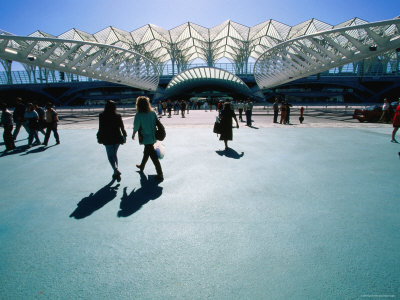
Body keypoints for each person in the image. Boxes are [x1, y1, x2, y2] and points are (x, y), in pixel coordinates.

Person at [132, 96, 163, 181]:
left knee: (153, 157)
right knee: (146, 152)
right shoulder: (152, 113)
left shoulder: (138, 115)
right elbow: (156, 122)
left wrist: (133, 134)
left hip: (146, 138)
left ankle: (160, 174)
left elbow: (136, 126)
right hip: (153, 136)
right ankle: (142, 166)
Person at [97, 100, 127, 182]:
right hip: (117, 137)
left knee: (110, 156)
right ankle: (115, 172)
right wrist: (124, 136)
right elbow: (122, 127)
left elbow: (101, 128)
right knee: (114, 154)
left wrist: (99, 137)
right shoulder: (118, 116)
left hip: (107, 138)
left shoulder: (101, 115)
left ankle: (116, 169)